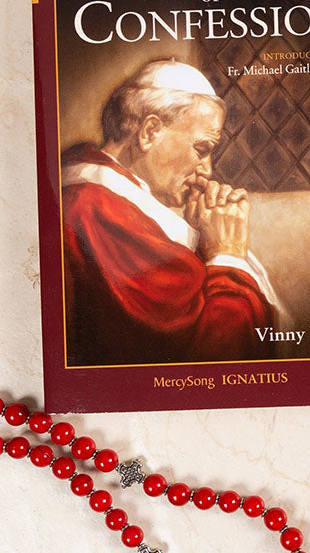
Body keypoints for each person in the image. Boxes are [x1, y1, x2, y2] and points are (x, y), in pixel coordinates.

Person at [61, 59, 278, 365]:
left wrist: (199, 238)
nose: (207, 170)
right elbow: (213, 353)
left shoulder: (96, 192)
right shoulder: (97, 209)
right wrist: (227, 253)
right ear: (150, 132)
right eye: (201, 149)